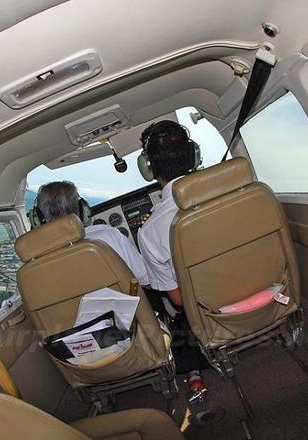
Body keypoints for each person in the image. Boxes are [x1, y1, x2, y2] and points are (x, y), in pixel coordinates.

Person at [136, 120, 207, 398]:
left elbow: (178, 299)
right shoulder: (237, 192)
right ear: (194, 156)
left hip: (208, 312)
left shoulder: (150, 231)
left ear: (149, 169)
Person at [35, 181, 149, 287]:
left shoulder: (35, 262)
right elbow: (146, 279)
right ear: (83, 211)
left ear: (38, 218)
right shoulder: (108, 236)